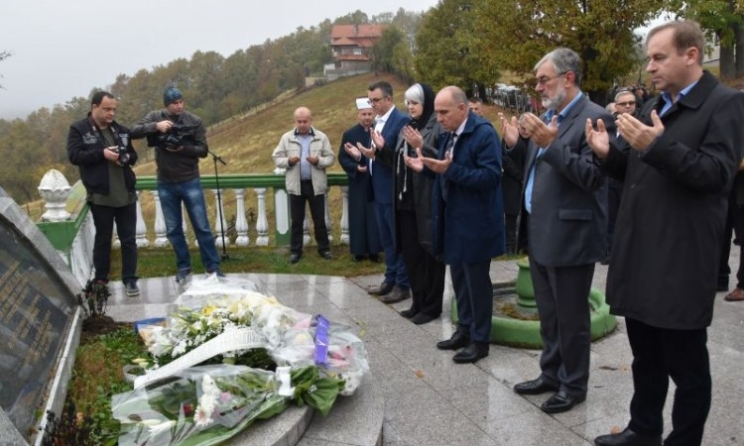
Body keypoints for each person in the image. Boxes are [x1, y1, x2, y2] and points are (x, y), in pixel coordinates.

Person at [586, 20, 744, 446]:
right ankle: (643, 428)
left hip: (681, 257)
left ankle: (685, 438)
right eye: (649, 59)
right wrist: (608, 157)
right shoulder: (656, 104)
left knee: (687, 366)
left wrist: (656, 147)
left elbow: (715, 174)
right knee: (645, 357)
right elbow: (638, 169)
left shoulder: (726, 104)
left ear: (691, 55)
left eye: (659, 57)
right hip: (640, 251)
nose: (650, 67)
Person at [500, 47, 613, 414]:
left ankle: (574, 384)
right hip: (541, 230)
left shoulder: (594, 118)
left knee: (571, 318)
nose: (539, 86)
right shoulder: (546, 116)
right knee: (549, 315)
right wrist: (517, 146)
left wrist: (551, 143)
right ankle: (550, 373)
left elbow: (592, 178)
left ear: (568, 78)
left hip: (572, 236)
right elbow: (535, 170)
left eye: (543, 79)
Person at [405, 86, 504, 363]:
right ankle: (464, 329)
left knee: (476, 283)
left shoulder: (483, 133)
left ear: (463, 109)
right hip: (453, 220)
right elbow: (445, 173)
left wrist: (451, 170)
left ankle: (480, 340)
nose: (438, 118)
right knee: (460, 281)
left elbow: (491, 177)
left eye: (443, 112)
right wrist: (425, 169)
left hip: (476, 224)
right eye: (436, 112)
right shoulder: (450, 134)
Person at [130, 86, 222, 283]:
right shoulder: (155, 116)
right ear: (166, 105)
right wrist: (156, 127)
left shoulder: (194, 121)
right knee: (173, 229)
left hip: (190, 179)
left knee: (202, 226)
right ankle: (183, 266)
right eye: (175, 103)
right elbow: (133, 131)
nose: (179, 106)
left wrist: (183, 148)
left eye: (181, 102)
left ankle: (213, 267)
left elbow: (203, 150)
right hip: (165, 182)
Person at [375, 82, 446, 323]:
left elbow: (442, 161)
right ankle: (418, 302)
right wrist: (382, 151)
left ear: (426, 104)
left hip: (425, 202)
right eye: (408, 103)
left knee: (430, 258)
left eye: (415, 103)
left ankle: (431, 307)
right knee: (412, 256)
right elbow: (398, 161)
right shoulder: (408, 126)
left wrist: (421, 146)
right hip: (405, 202)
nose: (410, 107)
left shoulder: (437, 127)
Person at [67, 91, 140, 296]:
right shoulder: (79, 129)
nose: (111, 113)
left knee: (129, 240)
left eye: (114, 109)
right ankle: (101, 280)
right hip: (100, 196)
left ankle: (130, 280)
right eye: (107, 109)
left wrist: (123, 158)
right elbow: (75, 156)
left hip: (125, 194)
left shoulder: (121, 130)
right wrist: (102, 153)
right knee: (103, 240)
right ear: (94, 107)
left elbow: (133, 155)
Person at [356, 81, 411, 303]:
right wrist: (369, 155)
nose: (373, 104)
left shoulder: (401, 121)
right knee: (387, 239)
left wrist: (378, 152)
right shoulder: (378, 123)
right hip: (378, 189)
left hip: (392, 190)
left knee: (398, 240)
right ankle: (390, 278)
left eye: (376, 100)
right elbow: (380, 156)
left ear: (389, 99)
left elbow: (400, 159)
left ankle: (402, 284)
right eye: (370, 100)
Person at [272, 107, 335, 264]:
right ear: (295, 121)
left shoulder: (321, 137)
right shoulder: (286, 138)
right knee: (297, 220)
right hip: (296, 185)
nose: (302, 124)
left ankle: (324, 249)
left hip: (316, 184)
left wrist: (318, 161)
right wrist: (288, 162)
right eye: (299, 121)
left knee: (319, 220)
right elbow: (276, 157)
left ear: (310, 120)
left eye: (305, 121)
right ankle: (295, 251)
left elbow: (331, 158)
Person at [338, 98, 382, 263]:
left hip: (375, 180)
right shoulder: (349, 134)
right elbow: (342, 157)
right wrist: (355, 167)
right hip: (358, 182)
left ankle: (374, 251)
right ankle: (358, 250)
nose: (367, 117)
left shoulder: (378, 131)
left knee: (373, 216)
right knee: (358, 215)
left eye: (370, 114)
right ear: (358, 115)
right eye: (363, 114)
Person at [604, 89, 637, 264]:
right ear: (616, 107)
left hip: (631, 182)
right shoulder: (610, 127)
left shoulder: (642, 125)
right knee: (610, 218)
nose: (628, 106)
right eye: (624, 104)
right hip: (610, 182)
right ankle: (611, 251)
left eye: (631, 103)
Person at [501, 114, 528, 254]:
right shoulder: (511, 137)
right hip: (512, 183)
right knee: (511, 218)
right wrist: (520, 175)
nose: (525, 131)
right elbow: (504, 159)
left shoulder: (533, 141)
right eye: (522, 128)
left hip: (526, 184)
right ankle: (509, 248)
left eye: (527, 128)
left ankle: (522, 246)